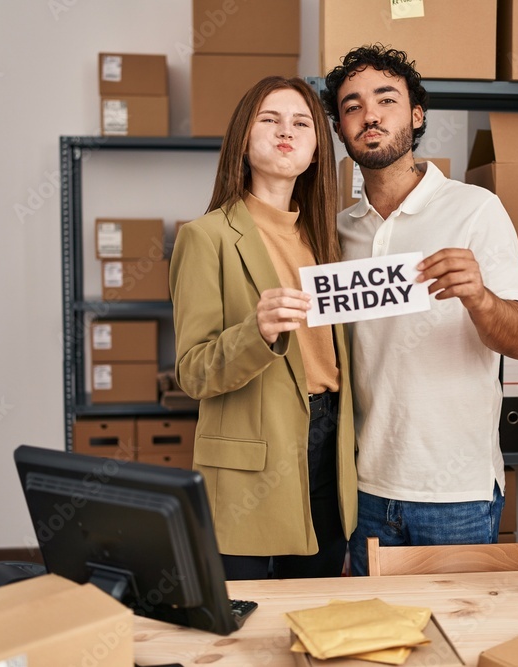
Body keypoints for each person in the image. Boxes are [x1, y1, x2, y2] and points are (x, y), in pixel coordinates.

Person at [321, 45, 518, 574]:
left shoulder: (475, 209)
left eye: (385, 99)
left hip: (455, 490)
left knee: (455, 647)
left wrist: (480, 297)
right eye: (351, 106)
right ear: (341, 129)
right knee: (376, 645)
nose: (369, 115)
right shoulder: (338, 229)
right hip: (365, 484)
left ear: (416, 115)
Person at [170, 76, 356, 580]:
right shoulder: (205, 237)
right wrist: (258, 332)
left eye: (301, 123)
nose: (285, 132)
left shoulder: (329, 240)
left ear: (318, 149)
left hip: (329, 445)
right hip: (250, 457)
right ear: (243, 141)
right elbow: (192, 373)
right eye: (269, 119)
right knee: (243, 626)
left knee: (313, 616)